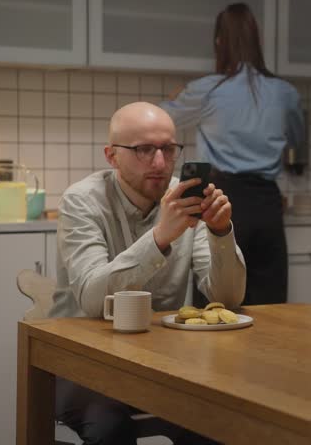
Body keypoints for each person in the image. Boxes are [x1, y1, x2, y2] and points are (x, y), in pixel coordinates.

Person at [49, 101, 245, 445]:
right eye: (143, 150)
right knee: (111, 429)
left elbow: (227, 299)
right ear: (111, 156)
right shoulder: (81, 201)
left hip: (163, 362)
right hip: (82, 362)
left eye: (168, 149)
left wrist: (220, 232)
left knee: (220, 421)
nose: (159, 163)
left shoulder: (184, 199)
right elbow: (94, 301)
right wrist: (159, 237)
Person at [161, 2, 304, 306]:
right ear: (258, 42)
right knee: (271, 306)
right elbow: (296, 139)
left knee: (217, 301)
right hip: (267, 203)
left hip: (220, 200)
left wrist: (177, 95)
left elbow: (159, 122)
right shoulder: (285, 92)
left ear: (219, 42)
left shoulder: (207, 90)